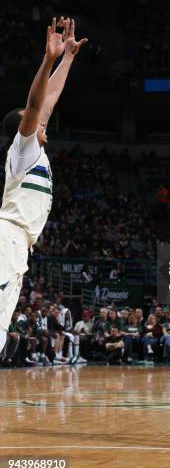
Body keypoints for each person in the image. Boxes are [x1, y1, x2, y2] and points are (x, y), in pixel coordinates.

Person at [0, 18, 87, 354]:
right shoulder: (22, 150)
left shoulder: (36, 149)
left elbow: (47, 102)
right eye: (33, 119)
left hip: (16, 242)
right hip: (9, 238)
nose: (42, 119)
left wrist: (67, 57)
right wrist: (48, 59)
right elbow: (37, 104)